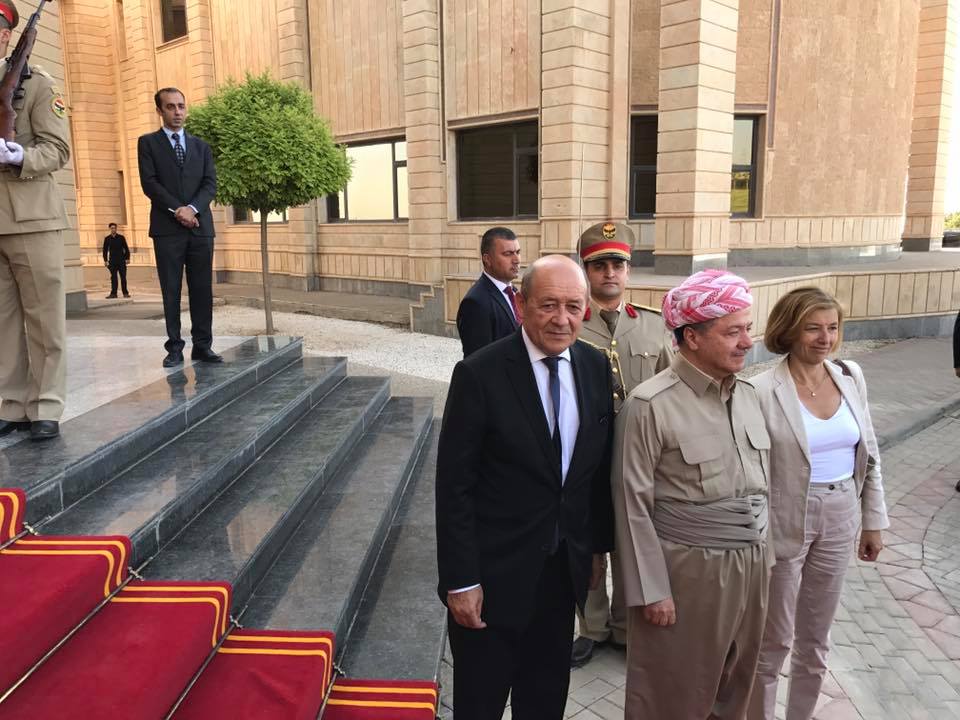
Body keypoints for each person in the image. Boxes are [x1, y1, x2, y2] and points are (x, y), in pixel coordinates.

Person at [436, 254, 614, 720]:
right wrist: (461, 580)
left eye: (574, 306)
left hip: (560, 576)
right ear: (520, 305)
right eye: (549, 305)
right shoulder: (479, 374)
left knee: (545, 698)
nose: (562, 319)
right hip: (491, 582)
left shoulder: (594, 368)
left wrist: (595, 552)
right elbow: (454, 486)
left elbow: (592, 474)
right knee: (480, 702)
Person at [613, 269, 772, 720]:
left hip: (753, 568)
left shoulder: (748, 395)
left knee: (740, 685)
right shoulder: (650, 405)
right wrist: (651, 592)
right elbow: (631, 507)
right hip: (686, 575)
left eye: (748, 328)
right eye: (733, 331)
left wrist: (769, 561)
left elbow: (765, 488)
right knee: (673, 691)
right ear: (692, 337)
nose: (746, 341)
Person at [747, 287, 888, 720]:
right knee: (773, 640)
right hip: (787, 517)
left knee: (816, 639)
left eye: (832, 327)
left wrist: (873, 521)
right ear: (789, 331)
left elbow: (870, 451)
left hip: (842, 509)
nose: (825, 338)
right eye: (813, 328)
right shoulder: (760, 389)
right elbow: (750, 472)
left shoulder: (850, 375)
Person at [571, 221, 673, 668]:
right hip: (587, 457)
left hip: (641, 457)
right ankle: (592, 627)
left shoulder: (652, 327)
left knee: (633, 539)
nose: (609, 273)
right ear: (586, 270)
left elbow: (674, 390)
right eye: (599, 265)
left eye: (617, 264)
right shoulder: (571, 324)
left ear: (627, 270)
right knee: (590, 539)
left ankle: (626, 626)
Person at [0, 0, 71, 442]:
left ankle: (45, 405)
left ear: (7, 34)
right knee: (3, 321)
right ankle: (12, 403)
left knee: (44, 319)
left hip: (33, 219)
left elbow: (57, 149)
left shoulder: (37, 83)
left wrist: (21, 154)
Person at [137, 87, 221, 368]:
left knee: (202, 289)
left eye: (181, 106)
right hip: (167, 229)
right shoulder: (147, 144)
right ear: (160, 111)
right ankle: (174, 348)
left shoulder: (201, 147)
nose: (177, 112)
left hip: (200, 229)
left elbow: (210, 183)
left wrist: (193, 209)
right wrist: (179, 211)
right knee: (171, 290)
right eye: (171, 107)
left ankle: (203, 346)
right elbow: (150, 184)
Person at [456, 226, 521, 357]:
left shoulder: (513, 293)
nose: (517, 260)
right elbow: (478, 361)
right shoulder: (475, 303)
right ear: (487, 259)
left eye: (518, 252)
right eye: (508, 254)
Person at [102, 223, 130, 298]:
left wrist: (127, 258)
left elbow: (126, 248)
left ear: (116, 229)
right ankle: (113, 293)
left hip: (121, 260)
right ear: (109, 229)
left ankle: (125, 293)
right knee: (113, 278)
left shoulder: (121, 237)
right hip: (112, 261)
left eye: (114, 228)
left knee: (123, 277)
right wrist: (105, 260)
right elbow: (104, 250)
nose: (113, 229)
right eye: (112, 228)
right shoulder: (107, 239)